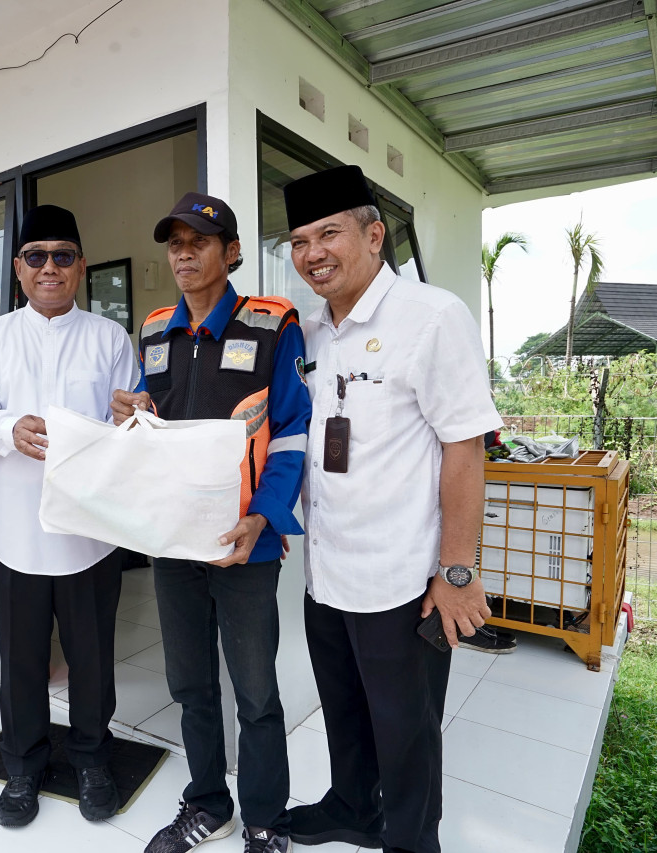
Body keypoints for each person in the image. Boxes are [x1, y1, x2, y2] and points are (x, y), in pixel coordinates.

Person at [281, 166, 502, 853]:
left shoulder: (432, 316)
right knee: (345, 714)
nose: (312, 252)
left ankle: (410, 839)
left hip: (403, 581)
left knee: (405, 730)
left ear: (374, 235)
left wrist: (457, 571)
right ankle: (352, 805)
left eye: (329, 233)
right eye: (297, 240)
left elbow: (465, 449)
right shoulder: (311, 333)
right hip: (328, 573)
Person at [111, 192, 310, 853]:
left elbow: (290, 431)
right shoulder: (158, 329)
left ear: (231, 253)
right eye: (175, 242)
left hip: (245, 545)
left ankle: (264, 819)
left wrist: (264, 518)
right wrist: (134, 412)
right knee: (190, 683)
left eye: (200, 240)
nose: (184, 252)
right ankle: (207, 803)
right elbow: (158, 432)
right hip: (176, 540)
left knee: (255, 692)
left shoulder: (271, 324)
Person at [0, 205, 137, 828]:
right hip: (13, 531)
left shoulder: (110, 338)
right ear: (18, 268)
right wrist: (10, 427)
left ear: (81, 266)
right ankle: (23, 766)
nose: (50, 267)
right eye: (37, 257)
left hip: (90, 533)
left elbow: (131, 422)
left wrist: (130, 417)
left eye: (64, 256)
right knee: (22, 658)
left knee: (92, 658)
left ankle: (92, 758)